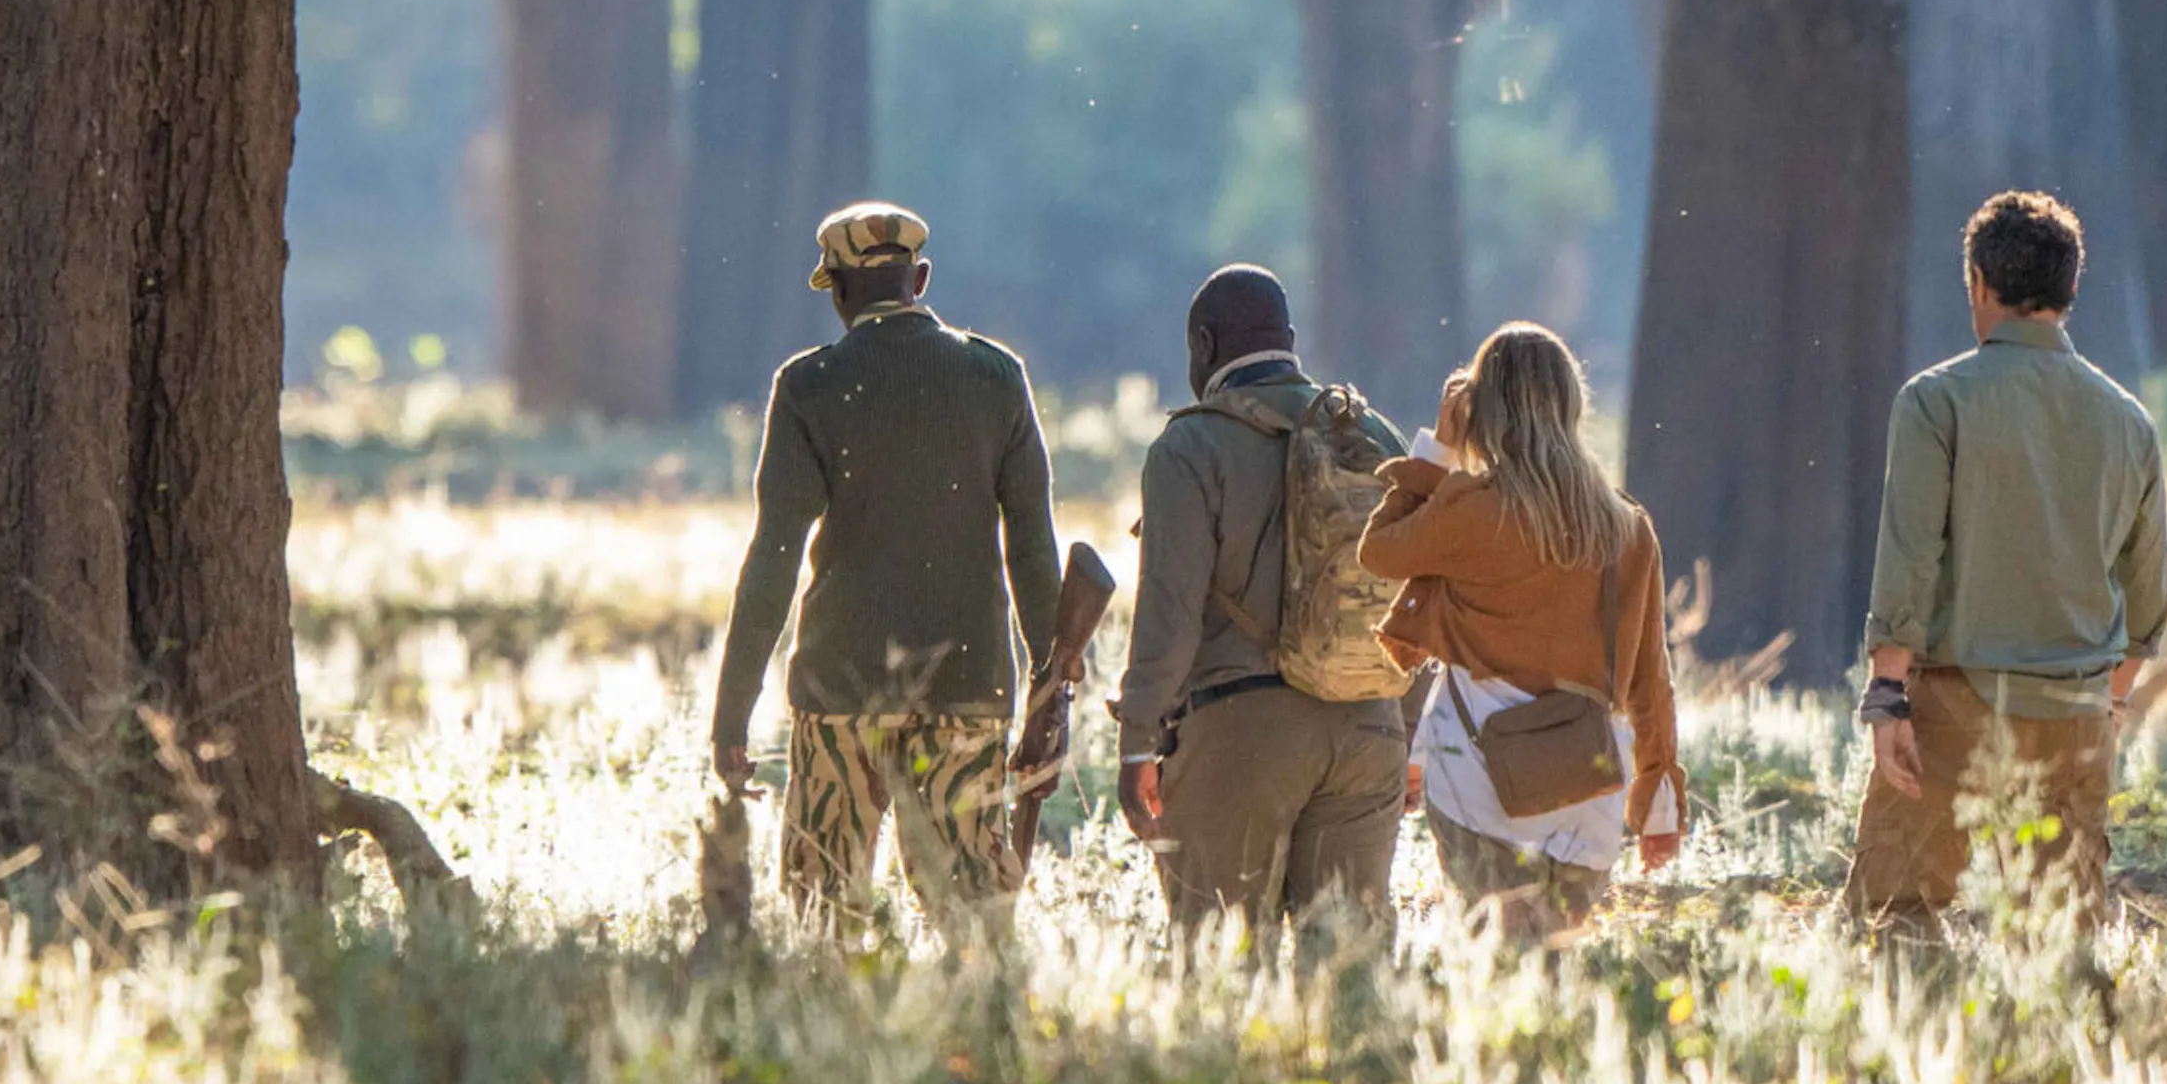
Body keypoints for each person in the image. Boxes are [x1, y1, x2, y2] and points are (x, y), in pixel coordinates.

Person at [710, 202, 1061, 936]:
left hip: (842, 692)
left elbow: (772, 559)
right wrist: (1050, 685)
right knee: (973, 920)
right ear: (921, 278)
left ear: (835, 289)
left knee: (824, 917)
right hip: (969, 688)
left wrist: (732, 711)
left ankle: (838, 1046)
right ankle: (981, 1045)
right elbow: (1031, 547)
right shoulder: (998, 378)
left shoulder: (808, 387)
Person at [1845, 190, 2167, 936]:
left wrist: (1888, 693)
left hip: (1953, 707)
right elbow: (2149, 597)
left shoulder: (1936, 401)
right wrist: (2110, 698)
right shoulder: (2129, 421)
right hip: (2073, 715)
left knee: (1898, 919)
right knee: (2059, 947)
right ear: (2071, 291)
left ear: (1979, 285)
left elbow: (1910, 555)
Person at [1358, 323, 1682, 944]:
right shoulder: (1626, 527)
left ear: (1485, 410)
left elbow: (1380, 551)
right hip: (1587, 788)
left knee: (1498, 968)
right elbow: (1649, 677)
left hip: (1477, 777)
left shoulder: (1472, 511)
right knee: (1554, 973)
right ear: (1572, 404)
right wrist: (1658, 801)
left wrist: (1438, 452)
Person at [1113, 265, 1412, 937]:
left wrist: (1137, 745)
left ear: (1204, 345)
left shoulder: (1189, 446)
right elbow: (1413, 601)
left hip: (1240, 733)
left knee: (1221, 967)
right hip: (1370, 729)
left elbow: (1170, 616)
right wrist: (1407, 734)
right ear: (1290, 340)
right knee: (1347, 974)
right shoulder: (1374, 436)